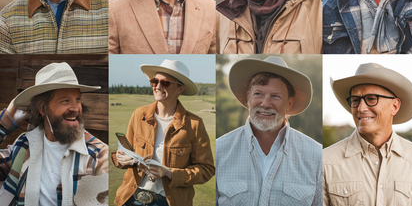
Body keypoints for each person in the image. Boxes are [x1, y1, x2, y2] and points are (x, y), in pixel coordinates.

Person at [216, 56, 322, 205]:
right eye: (258, 94)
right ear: (248, 97)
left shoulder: (317, 156)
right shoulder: (218, 150)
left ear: (289, 103)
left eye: (276, 96)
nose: (265, 104)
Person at [0, 62, 108, 205]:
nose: (76, 108)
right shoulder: (24, 145)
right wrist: (5, 122)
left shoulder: (97, 155)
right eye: (65, 101)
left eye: (78, 100)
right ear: (42, 108)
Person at [112, 59, 215, 206]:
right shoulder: (138, 114)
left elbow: (206, 170)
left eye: (165, 83)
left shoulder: (194, 124)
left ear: (181, 89)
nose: (158, 86)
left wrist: (169, 172)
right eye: (154, 81)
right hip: (131, 198)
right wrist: (122, 159)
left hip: (169, 202)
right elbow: (126, 152)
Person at [323, 63, 412, 205]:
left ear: (395, 106)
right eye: (355, 100)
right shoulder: (325, 162)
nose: (361, 108)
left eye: (371, 98)